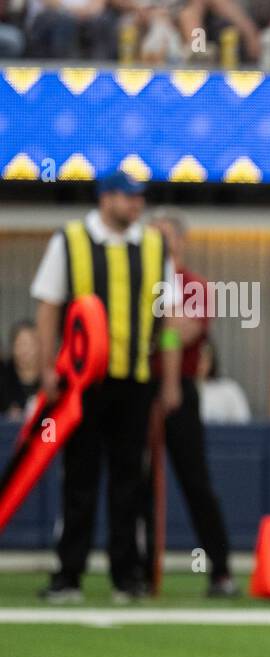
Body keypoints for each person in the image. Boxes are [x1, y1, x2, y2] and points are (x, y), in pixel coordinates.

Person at [30, 171, 181, 603]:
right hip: (81, 383)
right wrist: (47, 370)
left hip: (134, 380)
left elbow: (166, 320)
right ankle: (69, 574)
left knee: (128, 480)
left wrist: (169, 380)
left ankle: (125, 575)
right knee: (79, 478)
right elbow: (48, 306)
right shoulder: (71, 240)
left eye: (140, 199)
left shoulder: (155, 246)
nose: (137, 206)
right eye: (129, 198)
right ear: (106, 198)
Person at [145, 211, 240, 596]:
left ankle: (220, 569)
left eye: (169, 237)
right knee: (136, 481)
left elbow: (183, 330)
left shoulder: (194, 285)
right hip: (137, 387)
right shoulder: (140, 280)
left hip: (180, 387)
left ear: (181, 242)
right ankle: (137, 569)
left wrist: (156, 331)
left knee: (195, 481)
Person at [0, 321, 41, 421]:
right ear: (12, 347)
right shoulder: (4, 376)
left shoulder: (51, 378)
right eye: (20, 344)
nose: (25, 349)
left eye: (30, 343)